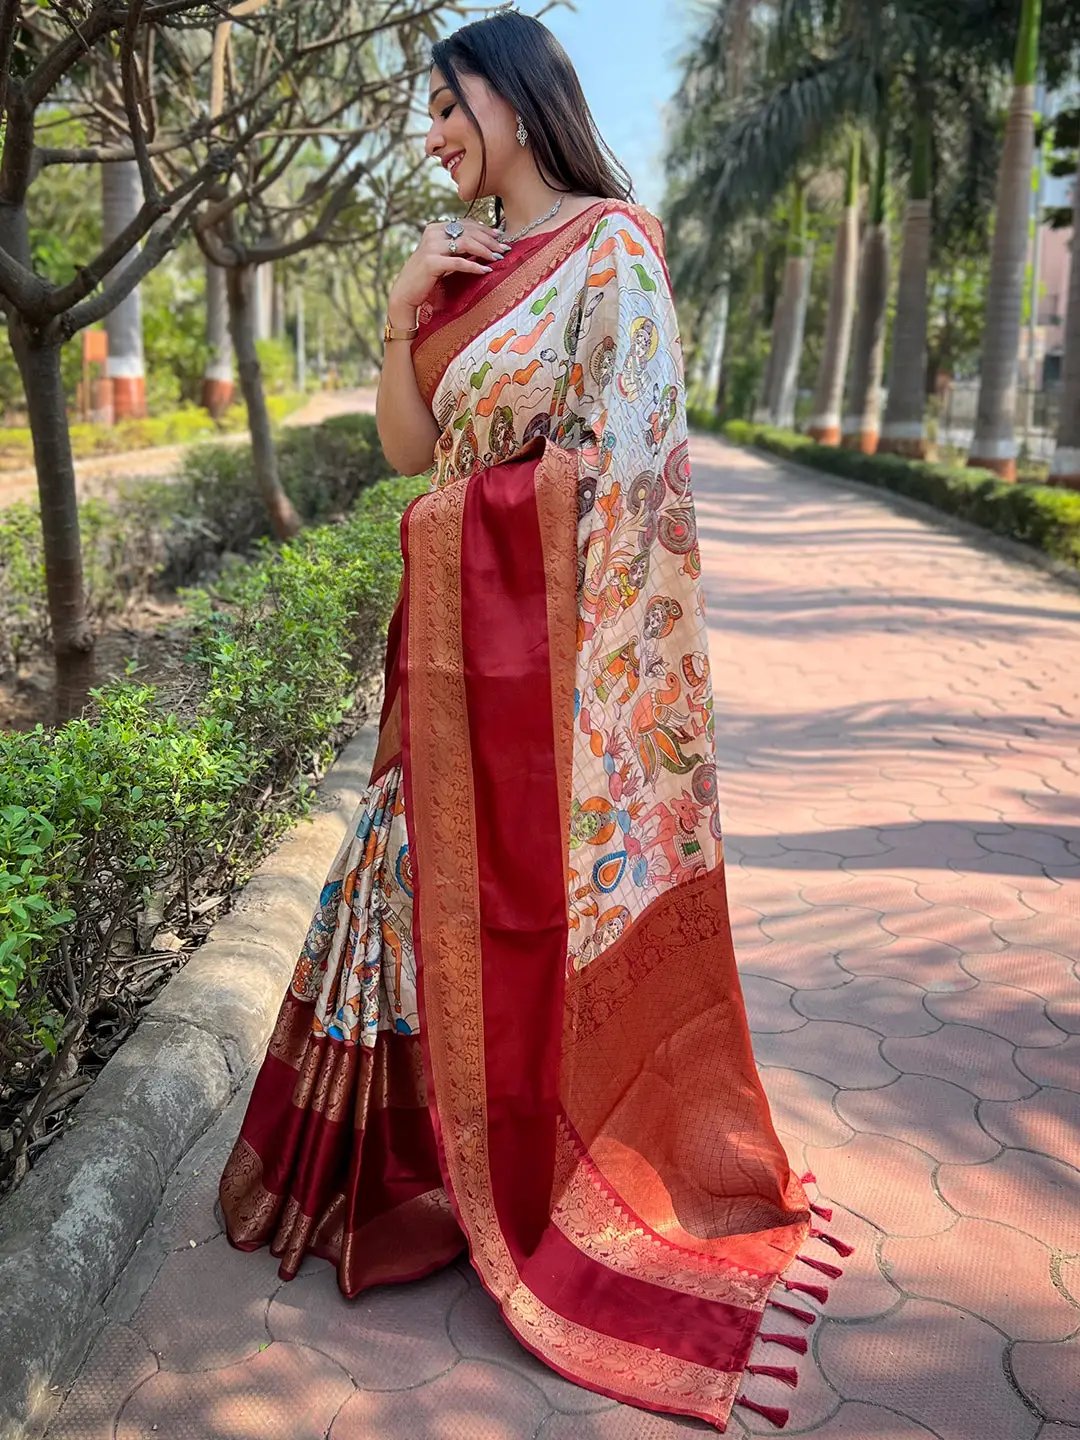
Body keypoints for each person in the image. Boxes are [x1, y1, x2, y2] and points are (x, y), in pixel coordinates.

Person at [219, 9, 848, 1431]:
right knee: (416, 885)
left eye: (449, 105)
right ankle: (416, 1167)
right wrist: (401, 311)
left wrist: (484, 520)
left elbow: (629, 472)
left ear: (516, 98)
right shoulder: (460, 267)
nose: (433, 134)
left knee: (526, 910)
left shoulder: (611, 250)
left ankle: (534, 1172)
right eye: (428, 114)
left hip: (548, 657)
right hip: (445, 650)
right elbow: (410, 454)